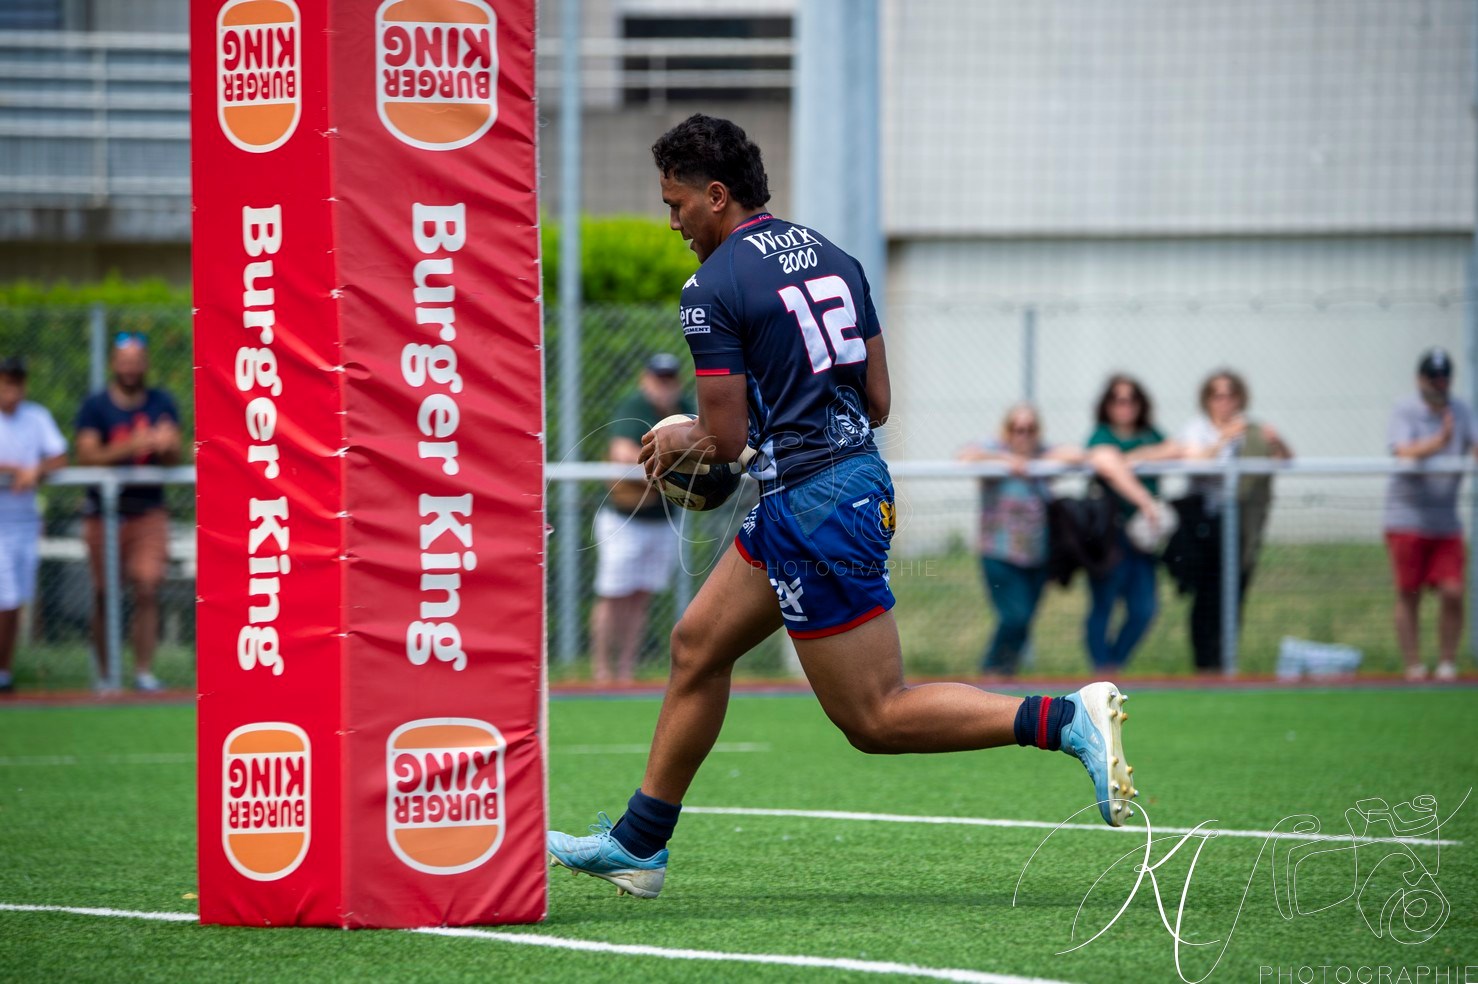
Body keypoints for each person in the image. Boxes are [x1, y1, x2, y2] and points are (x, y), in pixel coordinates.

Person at [547, 114, 1140, 900]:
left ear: (716, 196)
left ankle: (1063, 720)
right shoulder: (836, 257)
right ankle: (639, 843)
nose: (673, 223)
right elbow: (879, 402)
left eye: (675, 204)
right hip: (838, 483)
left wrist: (676, 438)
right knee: (696, 646)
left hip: (812, 503)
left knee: (874, 717)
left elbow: (724, 440)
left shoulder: (711, 287)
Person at [958, 402, 1163, 676]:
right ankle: (992, 668)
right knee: (1014, 616)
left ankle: (1007, 671)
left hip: (1037, 554)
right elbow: (966, 456)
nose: (1023, 434)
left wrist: (1035, 463)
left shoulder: (1041, 455)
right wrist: (1008, 462)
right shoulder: (994, 450)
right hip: (1000, 552)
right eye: (1017, 429)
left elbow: (1079, 454)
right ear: (1006, 430)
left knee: (1026, 619)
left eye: (1030, 429)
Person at [75, 333, 182, 692]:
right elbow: (86, 456)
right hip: (104, 514)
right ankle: (107, 676)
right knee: (105, 593)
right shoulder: (95, 406)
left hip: (148, 512)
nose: (131, 368)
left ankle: (143, 672)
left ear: (146, 363)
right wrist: (132, 445)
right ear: (113, 364)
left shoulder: (162, 402)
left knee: (148, 587)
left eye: (137, 361)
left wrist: (166, 446)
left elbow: (175, 457)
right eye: (125, 361)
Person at [1172, 370, 1292, 674]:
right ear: (1207, 399)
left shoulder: (1252, 431)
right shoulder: (1197, 428)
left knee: (1234, 594)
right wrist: (1223, 439)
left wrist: (1277, 442)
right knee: (1206, 597)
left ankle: (1226, 662)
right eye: (1217, 395)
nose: (1224, 402)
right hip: (1204, 525)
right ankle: (1204, 664)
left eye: (1230, 395)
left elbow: (1284, 461)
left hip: (1239, 524)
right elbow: (1195, 464)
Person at [590, 353, 697, 684]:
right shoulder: (636, 405)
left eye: (669, 379)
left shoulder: (684, 407)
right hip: (625, 520)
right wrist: (671, 466)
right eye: (658, 379)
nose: (664, 386)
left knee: (641, 596)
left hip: (663, 518)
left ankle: (626, 670)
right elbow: (622, 453)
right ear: (645, 379)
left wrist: (663, 468)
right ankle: (601, 670)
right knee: (613, 594)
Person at [1384, 347, 1476, 682]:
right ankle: (1414, 666)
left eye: (1444, 377)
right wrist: (1441, 441)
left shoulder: (1462, 409)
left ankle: (1447, 664)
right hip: (1406, 517)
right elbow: (1403, 452)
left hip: (1446, 520)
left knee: (1453, 590)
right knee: (1409, 592)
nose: (1439, 383)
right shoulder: (1405, 409)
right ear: (1420, 378)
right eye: (1433, 377)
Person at [1083, 375, 1178, 670]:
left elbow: (1178, 448)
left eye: (1131, 399)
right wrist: (1146, 502)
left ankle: (1114, 666)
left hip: (1143, 539)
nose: (1124, 405)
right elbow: (1106, 463)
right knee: (1104, 604)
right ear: (1107, 404)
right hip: (1110, 536)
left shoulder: (1149, 435)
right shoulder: (1101, 436)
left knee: (1144, 609)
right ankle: (1101, 670)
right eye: (1117, 399)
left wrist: (1138, 456)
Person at [0, 357, 68, 694]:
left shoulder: (36, 416)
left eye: (17, 382)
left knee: (16, 600)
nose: (12, 389)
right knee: (6, 595)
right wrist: (14, 470)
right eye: (6, 382)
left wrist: (35, 470)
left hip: (25, 521)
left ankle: (4, 671)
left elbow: (60, 456)